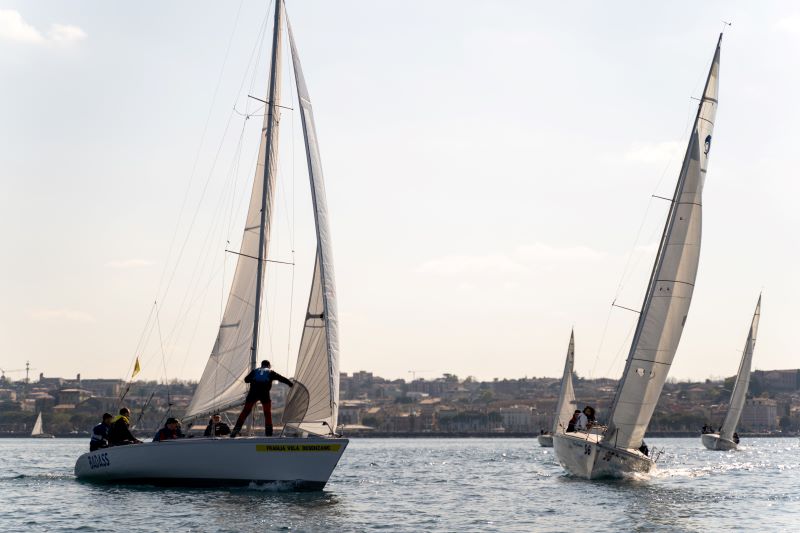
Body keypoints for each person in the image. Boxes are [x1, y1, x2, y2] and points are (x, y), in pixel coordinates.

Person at [230, 360, 293, 438]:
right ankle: (269, 434)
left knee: (245, 412)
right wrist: (291, 384)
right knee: (267, 414)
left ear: (261, 365)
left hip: (253, 394)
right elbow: (282, 379)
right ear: (269, 365)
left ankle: (234, 432)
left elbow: (246, 380)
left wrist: (254, 381)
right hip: (264, 394)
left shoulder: (255, 371)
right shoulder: (271, 372)